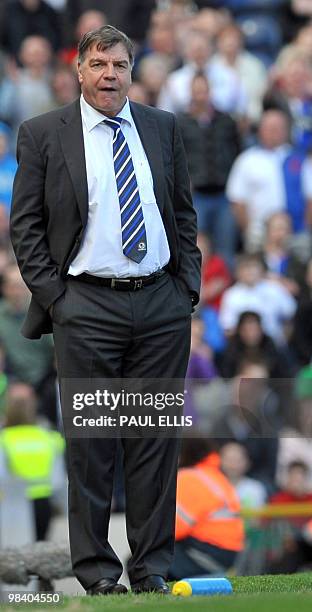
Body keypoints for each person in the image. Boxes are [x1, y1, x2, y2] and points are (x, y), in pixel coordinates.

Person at [10, 25, 201, 596]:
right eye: (99, 64)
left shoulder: (162, 127)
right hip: (85, 303)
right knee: (92, 448)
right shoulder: (43, 133)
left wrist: (185, 288)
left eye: (119, 64)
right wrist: (58, 300)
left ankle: (152, 571)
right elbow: (26, 227)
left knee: (154, 443)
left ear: (130, 71)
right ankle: (97, 575)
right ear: (79, 70)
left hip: (162, 303)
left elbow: (184, 216)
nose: (110, 75)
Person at [168, 438, 244, 580]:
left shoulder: (188, 478)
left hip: (207, 554)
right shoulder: (215, 476)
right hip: (229, 556)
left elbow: (174, 529)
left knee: (144, 561)